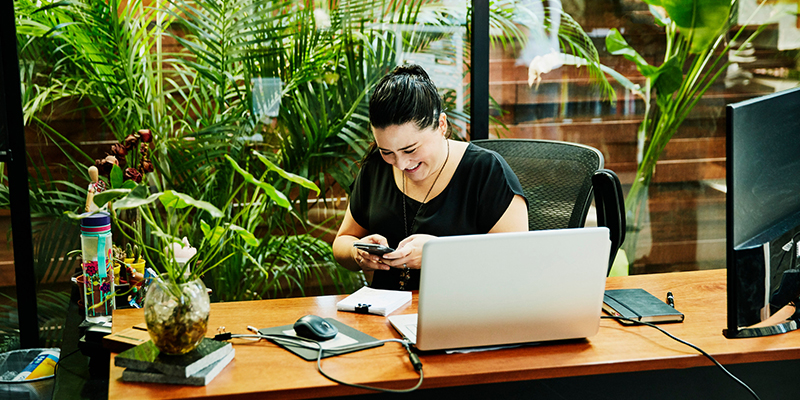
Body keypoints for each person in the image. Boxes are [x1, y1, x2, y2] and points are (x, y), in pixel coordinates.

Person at [333, 64, 528, 290]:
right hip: (384, 314)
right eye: (387, 152)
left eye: (410, 150)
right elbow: (342, 242)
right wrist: (357, 252)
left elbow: (517, 261)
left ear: (441, 125)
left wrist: (440, 255)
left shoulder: (487, 172)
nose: (402, 164)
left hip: (461, 315)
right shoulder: (377, 166)